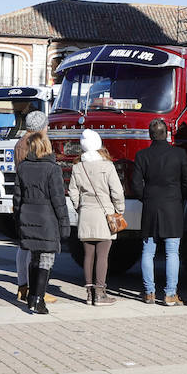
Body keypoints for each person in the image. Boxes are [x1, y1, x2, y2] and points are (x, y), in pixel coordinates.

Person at [131, 119, 187, 306]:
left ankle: (149, 293)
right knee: (172, 252)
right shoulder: (179, 154)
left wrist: (145, 198)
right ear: (167, 134)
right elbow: (186, 182)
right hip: (172, 206)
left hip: (151, 206)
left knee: (148, 251)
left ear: (150, 135)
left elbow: (136, 185)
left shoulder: (141, 155)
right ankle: (170, 294)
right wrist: (180, 197)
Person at [13, 130, 70, 314]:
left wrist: (18, 218)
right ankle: (38, 298)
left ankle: (31, 296)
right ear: (46, 146)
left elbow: (17, 198)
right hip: (46, 218)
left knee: (34, 256)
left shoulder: (22, 168)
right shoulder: (52, 169)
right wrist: (64, 224)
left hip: (27, 215)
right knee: (46, 258)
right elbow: (58, 200)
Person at [66, 129, 122, 306]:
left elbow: (73, 192)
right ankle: (100, 293)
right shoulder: (107, 166)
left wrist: (79, 207)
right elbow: (117, 192)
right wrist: (119, 210)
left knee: (88, 255)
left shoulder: (77, 166)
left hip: (86, 214)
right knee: (103, 255)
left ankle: (89, 294)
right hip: (105, 215)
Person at [11, 111, 56, 305]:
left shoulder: (19, 142)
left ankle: (24, 287)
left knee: (25, 246)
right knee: (34, 250)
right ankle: (34, 289)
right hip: (35, 203)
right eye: (46, 125)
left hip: (24, 201)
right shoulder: (34, 143)